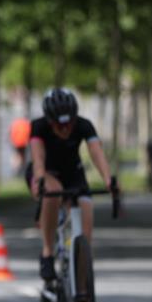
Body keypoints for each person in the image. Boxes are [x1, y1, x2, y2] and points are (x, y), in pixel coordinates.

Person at [27, 88, 118, 282]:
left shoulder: (84, 125)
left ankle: (82, 284)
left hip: (73, 174)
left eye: (69, 124)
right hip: (46, 173)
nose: (65, 129)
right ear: (49, 120)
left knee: (85, 210)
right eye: (59, 126)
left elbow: (96, 152)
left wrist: (108, 179)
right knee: (53, 191)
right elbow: (38, 157)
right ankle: (48, 253)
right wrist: (40, 179)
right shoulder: (38, 126)